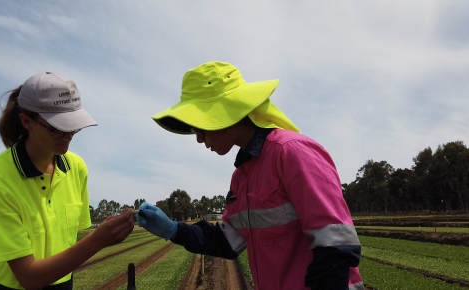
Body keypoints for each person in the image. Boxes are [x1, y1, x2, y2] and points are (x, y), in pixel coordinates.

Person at [136, 62, 363, 290]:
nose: (199, 139)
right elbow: (228, 241)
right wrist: (174, 230)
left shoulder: (292, 152)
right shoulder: (242, 175)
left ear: (223, 110)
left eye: (198, 128)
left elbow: (337, 248)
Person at [0, 72, 135, 290]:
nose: (68, 135)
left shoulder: (76, 168)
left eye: (74, 126)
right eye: (57, 128)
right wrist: (98, 240)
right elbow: (28, 277)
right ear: (26, 121)